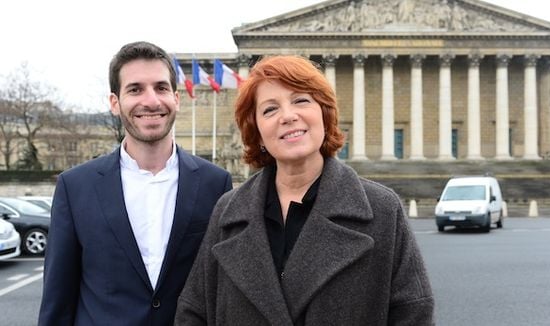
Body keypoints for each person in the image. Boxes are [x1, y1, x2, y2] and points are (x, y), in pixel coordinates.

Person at [174, 55, 434, 325]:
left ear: (324, 114)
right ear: (258, 133)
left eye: (300, 100)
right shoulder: (228, 212)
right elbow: (194, 311)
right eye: (270, 109)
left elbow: (413, 314)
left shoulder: (382, 209)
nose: (288, 116)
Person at [38, 41, 233, 325]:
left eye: (161, 87)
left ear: (176, 98)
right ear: (115, 103)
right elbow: (58, 298)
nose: (151, 101)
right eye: (135, 89)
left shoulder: (216, 183)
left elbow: (224, 290)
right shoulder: (75, 186)